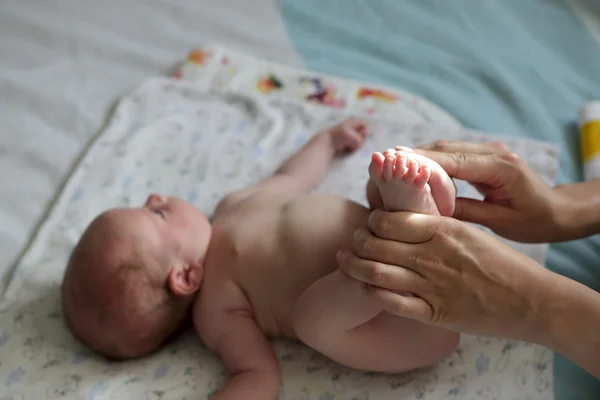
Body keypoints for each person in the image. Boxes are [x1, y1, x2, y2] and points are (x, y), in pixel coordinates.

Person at [61, 119, 460, 400]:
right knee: (312, 322)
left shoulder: (233, 204)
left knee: (378, 189)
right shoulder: (215, 310)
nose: (156, 197)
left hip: (410, 255)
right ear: (183, 276)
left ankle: (412, 220)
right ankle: (399, 242)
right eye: (156, 214)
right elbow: (257, 376)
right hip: (402, 325)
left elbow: (292, 178)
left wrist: (327, 141)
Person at [338, 140, 600, 380]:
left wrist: (542, 306)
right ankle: (415, 205)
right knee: (395, 224)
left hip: (365, 298)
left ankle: (411, 206)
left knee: (322, 320)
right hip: (365, 248)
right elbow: (294, 176)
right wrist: (568, 208)